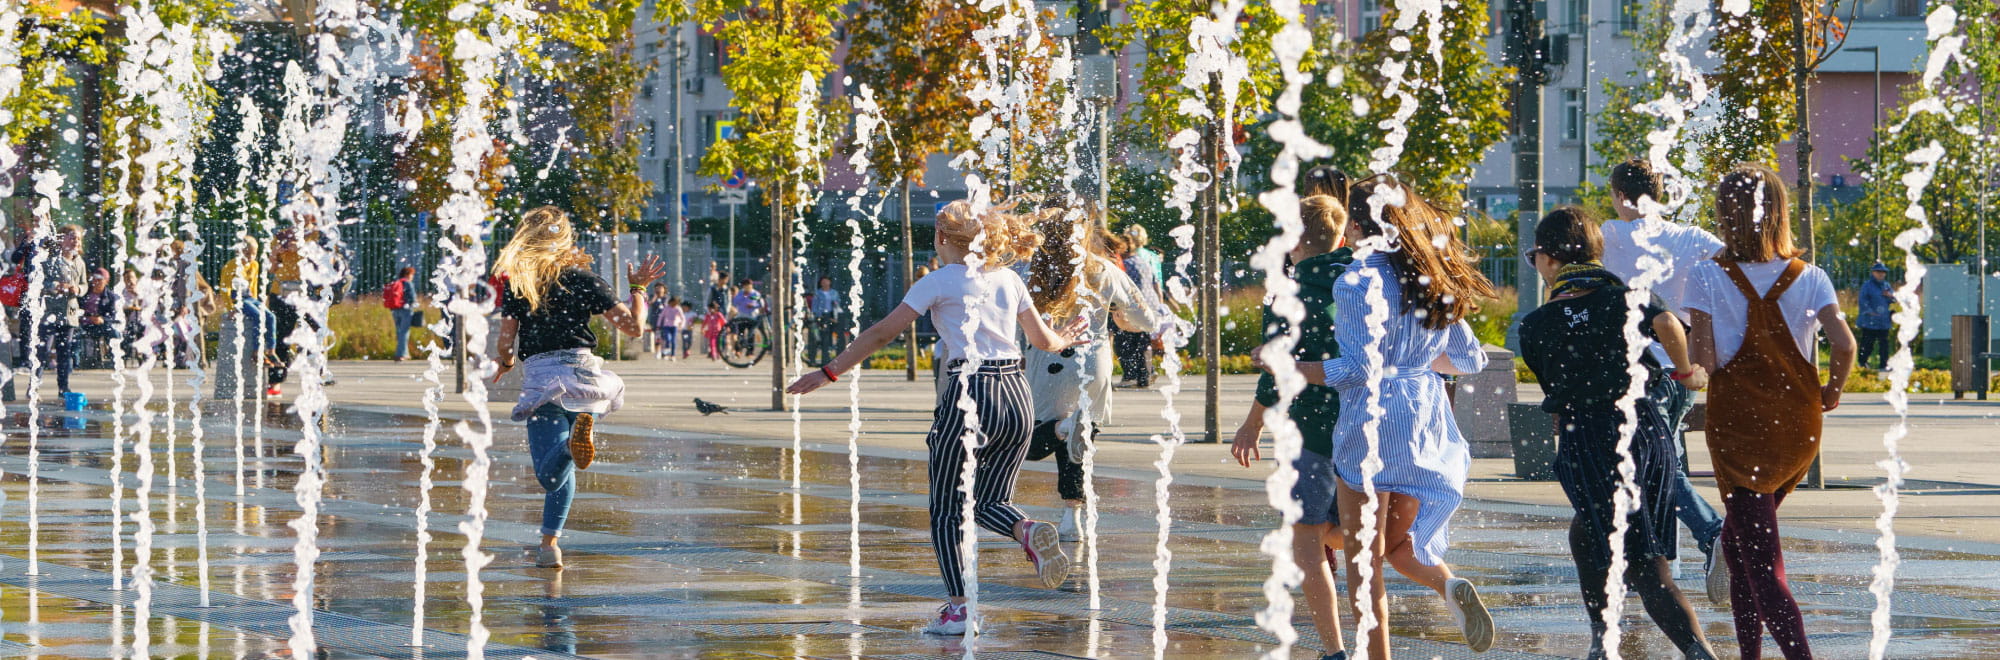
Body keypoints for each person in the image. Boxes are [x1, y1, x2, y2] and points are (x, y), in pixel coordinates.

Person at [786, 199, 1088, 636]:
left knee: (948, 509)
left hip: (970, 392)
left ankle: (960, 611)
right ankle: (1026, 528)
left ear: (942, 238)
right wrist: (1065, 339)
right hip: (1016, 395)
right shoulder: (1008, 279)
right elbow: (1042, 340)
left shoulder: (938, 281)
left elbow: (882, 333)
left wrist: (829, 371)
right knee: (988, 502)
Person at [1281, 177, 1498, 657]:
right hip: (1423, 420)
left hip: (1372, 425)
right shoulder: (1431, 274)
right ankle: (1447, 585)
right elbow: (1470, 359)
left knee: (1364, 563)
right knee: (1390, 543)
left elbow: (1359, 370)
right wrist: (1416, 362)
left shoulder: (1358, 280)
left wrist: (1292, 368)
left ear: (1356, 226)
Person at [1519, 208, 1718, 659]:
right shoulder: (1630, 297)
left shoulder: (1535, 326)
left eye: (1535, 257)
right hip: (1648, 431)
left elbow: (1558, 386)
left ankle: (1698, 652)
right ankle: (1602, 639)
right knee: (1586, 534)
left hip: (1591, 440)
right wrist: (1687, 373)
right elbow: (1667, 324)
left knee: (1647, 567)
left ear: (1549, 259)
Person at [1685, 164, 1855, 660]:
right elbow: (1843, 345)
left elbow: (1708, 362)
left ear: (1725, 215)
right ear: (1778, 213)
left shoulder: (1707, 275)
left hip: (1739, 430)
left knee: (1761, 564)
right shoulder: (1812, 277)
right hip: (1798, 427)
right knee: (1740, 552)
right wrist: (1833, 390)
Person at [490, 206, 665, 569]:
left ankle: (570, 452)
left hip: (542, 379)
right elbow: (634, 328)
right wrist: (638, 289)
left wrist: (506, 363)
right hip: (585, 380)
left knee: (548, 472)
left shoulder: (520, 283)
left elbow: (507, 341)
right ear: (565, 238)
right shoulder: (585, 279)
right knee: (566, 467)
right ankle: (548, 545)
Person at [1599, 157, 1729, 601]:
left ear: (1619, 195)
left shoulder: (1607, 235)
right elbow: (1739, 268)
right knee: (1658, 461)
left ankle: (1713, 534)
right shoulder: (1692, 238)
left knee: (1652, 464)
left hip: (1636, 369)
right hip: (1683, 368)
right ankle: (1652, 561)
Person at [1230, 193, 1353, 660]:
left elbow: (1277, 370)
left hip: (1309, 432)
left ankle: (1334, 651)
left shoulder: (1286, 291)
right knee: (1362, 532)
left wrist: (1251, 425)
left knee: (1305, 538)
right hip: (1364, 426)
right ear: (1340, 235)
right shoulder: (1363, 280)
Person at [1022, 210, 1171, 542]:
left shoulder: (1030, 269)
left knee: (1028, 445)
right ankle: (1071, 518)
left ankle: (1062, 429)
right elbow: (1146, 319)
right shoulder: (1103, 269)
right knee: (1079, 443)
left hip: (1047, 365)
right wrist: (1118, 314)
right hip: (1093, 365)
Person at [32, 225, 88, 394]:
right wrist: (56, 286)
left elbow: (84, 284)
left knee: (65, 353)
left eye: (78, 238)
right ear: (61, 240)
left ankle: (63, 387)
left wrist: (78, 290)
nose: (75, 241)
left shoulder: (80, 262)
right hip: (50, 313)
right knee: (43, 351)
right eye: (71, 237)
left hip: (69, 314)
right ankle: (34, 386)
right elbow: (41, 282)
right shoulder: (51, 260)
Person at [1112, 230, 1164, 390]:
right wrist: (1159, 305)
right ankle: (1146, 374)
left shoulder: (1124, 265)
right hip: (1150, 305)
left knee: (1124, 342)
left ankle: (1131, 376)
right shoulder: (1143, 260)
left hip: (1135, 307)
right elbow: (1156, 283)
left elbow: (1124, 289)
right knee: (1142, 342)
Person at [77, 268, 120, 367]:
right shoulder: (85, 293)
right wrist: (85, 318)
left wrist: (102, 319)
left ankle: (115, 359)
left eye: (100, 279)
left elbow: (112, 316)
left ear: (106, 281)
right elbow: (77, 309)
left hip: (100, 325)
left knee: (114, 332)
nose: (96, 281)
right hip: (84, 323)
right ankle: (77, 361)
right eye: (94, 278)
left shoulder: (110, 296)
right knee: (74, 334)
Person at [1856, 262, 1894, 369]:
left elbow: (1894, 299)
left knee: (1884, 344)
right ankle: (1862, 363)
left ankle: (1884, 364)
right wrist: (1869, 311)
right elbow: (1862, 300)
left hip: (1883, 321)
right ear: (1873, 272)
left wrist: (1890, 295)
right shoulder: (1867, 285)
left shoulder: (1886, 285)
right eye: (1878, 272)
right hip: (1869, 321)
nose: (1881, 274)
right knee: (1867, 343)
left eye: (1883, 272)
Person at [386, 266, 420, 362]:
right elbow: (413, 298)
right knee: (404, 332)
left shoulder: (397, 282)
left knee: (399, 331)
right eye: (411, 274)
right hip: (406, 310)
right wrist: (415, 305)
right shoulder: (408, 283)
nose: (412, 276)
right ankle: (400, 354)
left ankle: (405, 353)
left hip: (394, 309)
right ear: (407, 274)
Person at [808, 275, 843, 364]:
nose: (825, 283)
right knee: (819, 337)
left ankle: (828, 358)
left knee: (830, 337)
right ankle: (814, 358)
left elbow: (837, 304)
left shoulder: (834, 293)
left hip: (831, 316)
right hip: (821, 315)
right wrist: (814, 315)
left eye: (826, 281)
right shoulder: (818, 293)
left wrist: (836, 316)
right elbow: (814, 305)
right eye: (823, 282)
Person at [655, 296, 685, 360]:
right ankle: (666, 354)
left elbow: (683, 318)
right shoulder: (666, 308)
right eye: (673, 303)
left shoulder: (678, 308)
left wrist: (681, 325)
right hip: (666, 326)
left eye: (675, 304)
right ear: (670, 302)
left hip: (674, 326)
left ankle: (673, 355)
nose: (673, 305)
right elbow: (661, 317)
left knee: (673, 341)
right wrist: (658, 325)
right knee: (668, 339)